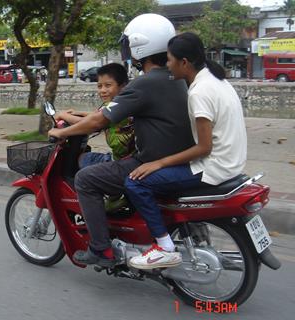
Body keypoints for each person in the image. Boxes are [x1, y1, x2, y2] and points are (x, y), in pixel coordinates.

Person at [48, 14, 194, 268]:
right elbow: (104, 114)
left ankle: (100, 250)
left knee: (86, 178)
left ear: (140, 46)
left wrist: (61, 132)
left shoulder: (144, 83)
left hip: (151, 160)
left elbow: (99, 121)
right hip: (177, 156)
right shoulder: (174, 78)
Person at [125, 32, 247, 269]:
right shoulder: (218, 80)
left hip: (213, 168)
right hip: (232, 163)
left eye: (170, 59)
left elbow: (203, 147)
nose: (167, 64)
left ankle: (164, 247)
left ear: (184, 63)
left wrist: (159, 163)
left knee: (135, 182)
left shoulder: (199, 92)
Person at [54, 63, 135, 168]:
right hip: (125, 158)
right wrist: (78, 112)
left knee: (82, 160)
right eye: (99, 86)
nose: (102, 90)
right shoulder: (122, 101)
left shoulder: (118, 104)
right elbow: (98, 115)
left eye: (108, 85)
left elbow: (91, 123)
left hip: (121, 162)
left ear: (123, 86)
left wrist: (61, 118)